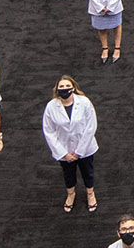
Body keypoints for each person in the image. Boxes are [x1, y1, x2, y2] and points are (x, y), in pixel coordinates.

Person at [42, 75, 99, 213]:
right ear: (56, 89)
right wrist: (63, 153)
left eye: (67, 86)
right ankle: (71, 194)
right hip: (65, 150)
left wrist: (80, 151)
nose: (64, 89)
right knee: (68, 174)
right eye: (61, 86)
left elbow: (91, 126)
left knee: (88, 172)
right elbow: (49, 131)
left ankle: (90, 194)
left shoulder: (84, 102)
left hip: (85, 149)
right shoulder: (51, 107)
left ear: (73, 88)